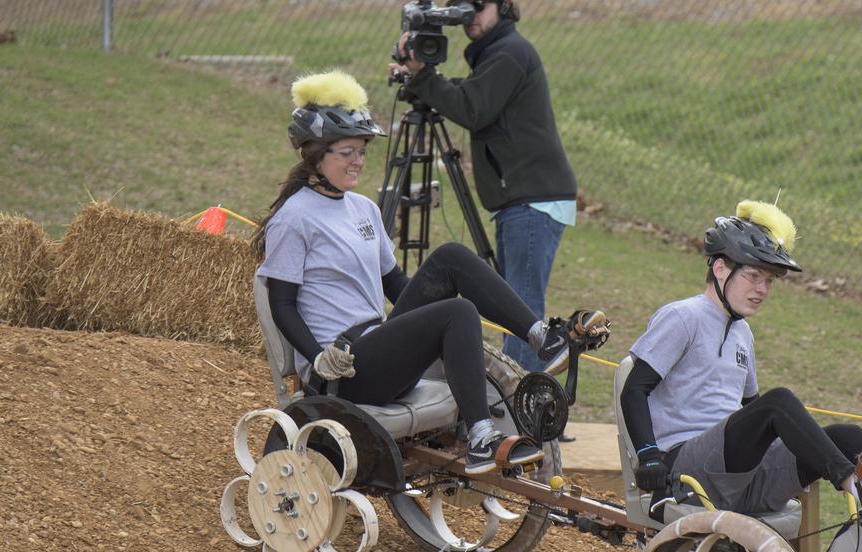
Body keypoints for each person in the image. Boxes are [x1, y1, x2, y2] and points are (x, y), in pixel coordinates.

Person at [251, 70, 607, 476]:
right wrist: (318, 358)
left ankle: (544, 338)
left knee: (451, 257)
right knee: (457, 312)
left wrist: (427, 315)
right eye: (347, 152)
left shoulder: (363, 209)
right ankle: (482, 438)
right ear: (316, 154)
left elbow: (395, 284)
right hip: (343, 371)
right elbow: (282, 304)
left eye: (362, 151)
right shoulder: (294, 218)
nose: (358, 161)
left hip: (379, 351)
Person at [620, 200, 862, 521]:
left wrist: (801, 451)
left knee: (850, 437)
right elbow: (634, 389)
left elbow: (753, 409)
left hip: (740, 478)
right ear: (720, 268)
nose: (762, 289)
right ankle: (851, 483)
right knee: (778, 402)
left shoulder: (743, 332)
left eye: (769, 281)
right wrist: (648, 456)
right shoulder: (683, 316)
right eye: (753, 276)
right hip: (686, 473)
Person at [392, 0, 577, 372]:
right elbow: (471, 94)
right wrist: (422, 81)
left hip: (532, 201)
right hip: (524, 199)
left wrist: (424, 79)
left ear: (503, 6)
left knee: (522, 311)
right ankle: (521, 395)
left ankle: (524, 401)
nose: (471, 14)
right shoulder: (497, 52)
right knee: (516, 307)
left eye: (480, 4)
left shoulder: (509, 53)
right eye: (463, 5)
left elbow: (472, 108)